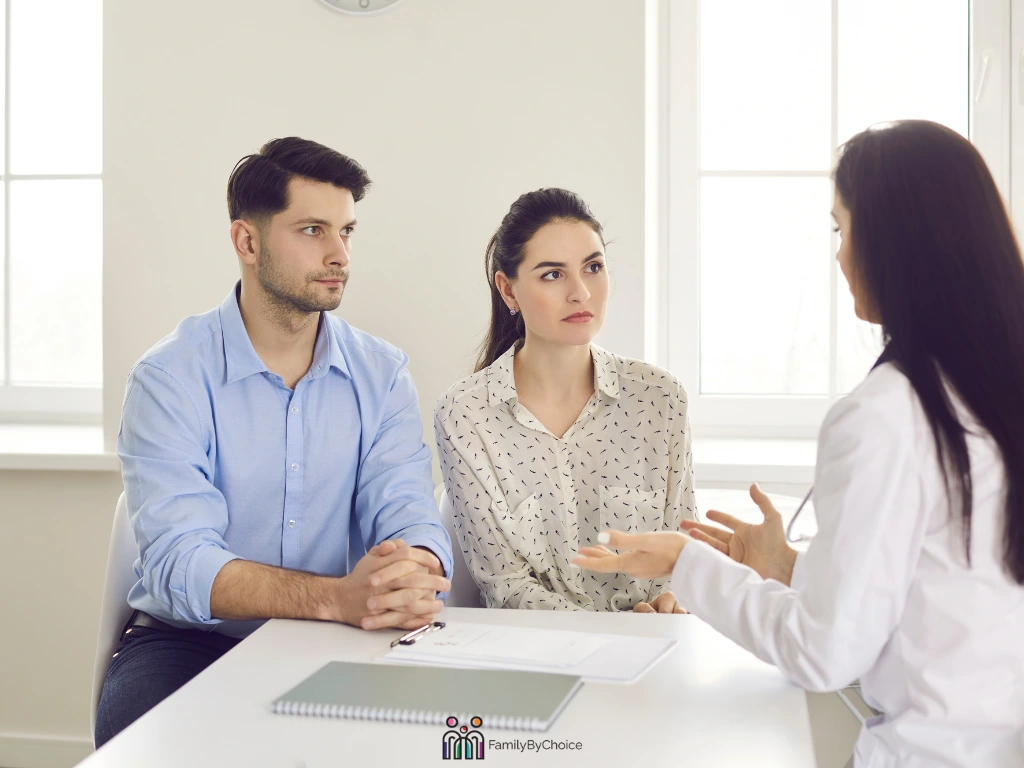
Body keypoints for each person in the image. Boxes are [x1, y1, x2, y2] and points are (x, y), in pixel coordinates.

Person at [574, 120, 1024, 767]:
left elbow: (824, 652)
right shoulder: (994, 391)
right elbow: (946, 586)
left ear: (894, 242)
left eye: (842, 229)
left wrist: (688, 563)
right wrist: (787, 567)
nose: (839, 256)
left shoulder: (886, 415)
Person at [95, 138, 452, 747]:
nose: (339, 254)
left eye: (346, 231)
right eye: (313, 230)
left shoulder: (383, 374)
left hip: (343, 637)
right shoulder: (169, 378)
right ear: (247, 242)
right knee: (147, 748)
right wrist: (337, 598)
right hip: (188, 642)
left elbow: (408, 511)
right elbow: (180, 562)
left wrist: (413, 570)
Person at [435, 188, 696, 613]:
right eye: (553, 274)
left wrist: (669, 604)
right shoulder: (465, 414)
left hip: (651, 639)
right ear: (508, 291)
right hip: (536, 648)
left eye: (593, 267)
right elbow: (505, 587)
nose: (581, 293)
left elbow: (682, 554)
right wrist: (614, 633)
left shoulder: (660, 399)